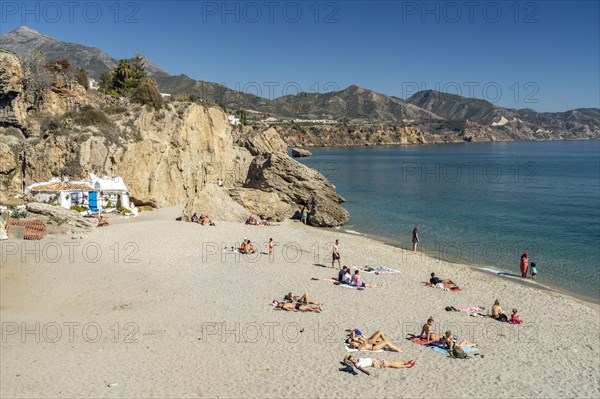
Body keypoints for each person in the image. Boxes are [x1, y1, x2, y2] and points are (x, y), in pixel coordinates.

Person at [345, 356, 415, 375]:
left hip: (375, 360)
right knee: (391, 364)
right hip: (375, 363)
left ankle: (405, 363)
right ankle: (407, 366)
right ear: (351, 361)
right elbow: (361, 369)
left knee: (391, 363)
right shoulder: (357, 365)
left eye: (353, 358)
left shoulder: (359, 359)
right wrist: (366, 372)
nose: (354, 359)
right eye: (352, 360)